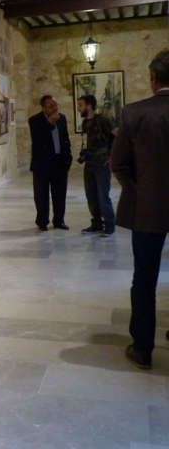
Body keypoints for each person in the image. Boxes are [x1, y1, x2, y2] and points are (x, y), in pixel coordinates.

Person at [110, 49, 169, 369]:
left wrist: (140, 191)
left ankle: (143, 347)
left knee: (144, 278)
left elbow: (118, 163)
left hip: (149, 210)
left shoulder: (134, 113)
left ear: (153, 80)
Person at [28, 95, 72, 231]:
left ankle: (59, 220)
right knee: (41, 194)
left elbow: (65, 138)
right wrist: (49, 124)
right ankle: (42, 221)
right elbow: (38, 139)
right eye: (50, 106)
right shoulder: (35, 120)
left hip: (59, 161)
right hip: (42, 163)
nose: (54, 108)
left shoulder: (62, 118)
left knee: (60, 193)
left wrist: (67, 157)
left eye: (55, 105)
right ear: (43, 108)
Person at [76, 94, 117, 236]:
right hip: (90, 163)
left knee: (103, 196)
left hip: (101, 163)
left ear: (88, 106)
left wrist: (112, 155)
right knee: (91, 196)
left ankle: (110, 225)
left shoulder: (103, 120)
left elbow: (118, 134)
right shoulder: (86, 123)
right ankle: (96, 224)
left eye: (80, 105)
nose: (78, 108)